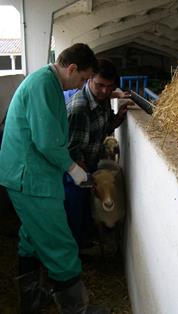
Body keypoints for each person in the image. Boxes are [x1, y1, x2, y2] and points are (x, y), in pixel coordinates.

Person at [0, 43, 110, 314]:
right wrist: (75, 170)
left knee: (32, 236)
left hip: (28, 173)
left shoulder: (45, 81)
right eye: (83, 78)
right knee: (60, 242)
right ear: (71, 68)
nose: (82, 84)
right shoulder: (44, 84)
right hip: (30, 177)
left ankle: (31, 296)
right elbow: (47, 141)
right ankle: (77, 308)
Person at [64, 58, 132, 250]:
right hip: (74, 171)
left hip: (89, 166)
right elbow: (72, 153)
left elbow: (105, 127)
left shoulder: (102, 100)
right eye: (99, 85)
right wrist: (90, 179)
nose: (104, 90)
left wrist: (119, 116)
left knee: (87, 209)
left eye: (109, 86)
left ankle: (86, 241)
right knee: (75, 213)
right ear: (89, 79)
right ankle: (75, 252)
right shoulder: (80, 108)